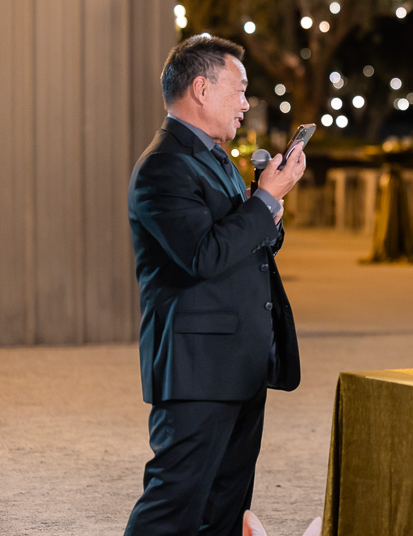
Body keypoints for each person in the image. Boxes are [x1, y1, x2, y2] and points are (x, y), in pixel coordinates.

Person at [124, 34, 306, 535]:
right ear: (201, 89)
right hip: (197, 369)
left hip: (239, 363)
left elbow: (244, 245)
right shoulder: (163, 167)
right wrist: (264, 202)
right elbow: (202, 255)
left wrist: (269, 206)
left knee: (224, 512)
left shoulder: (216, 157)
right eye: (240, 89)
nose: (247, 104)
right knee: (172, 506)